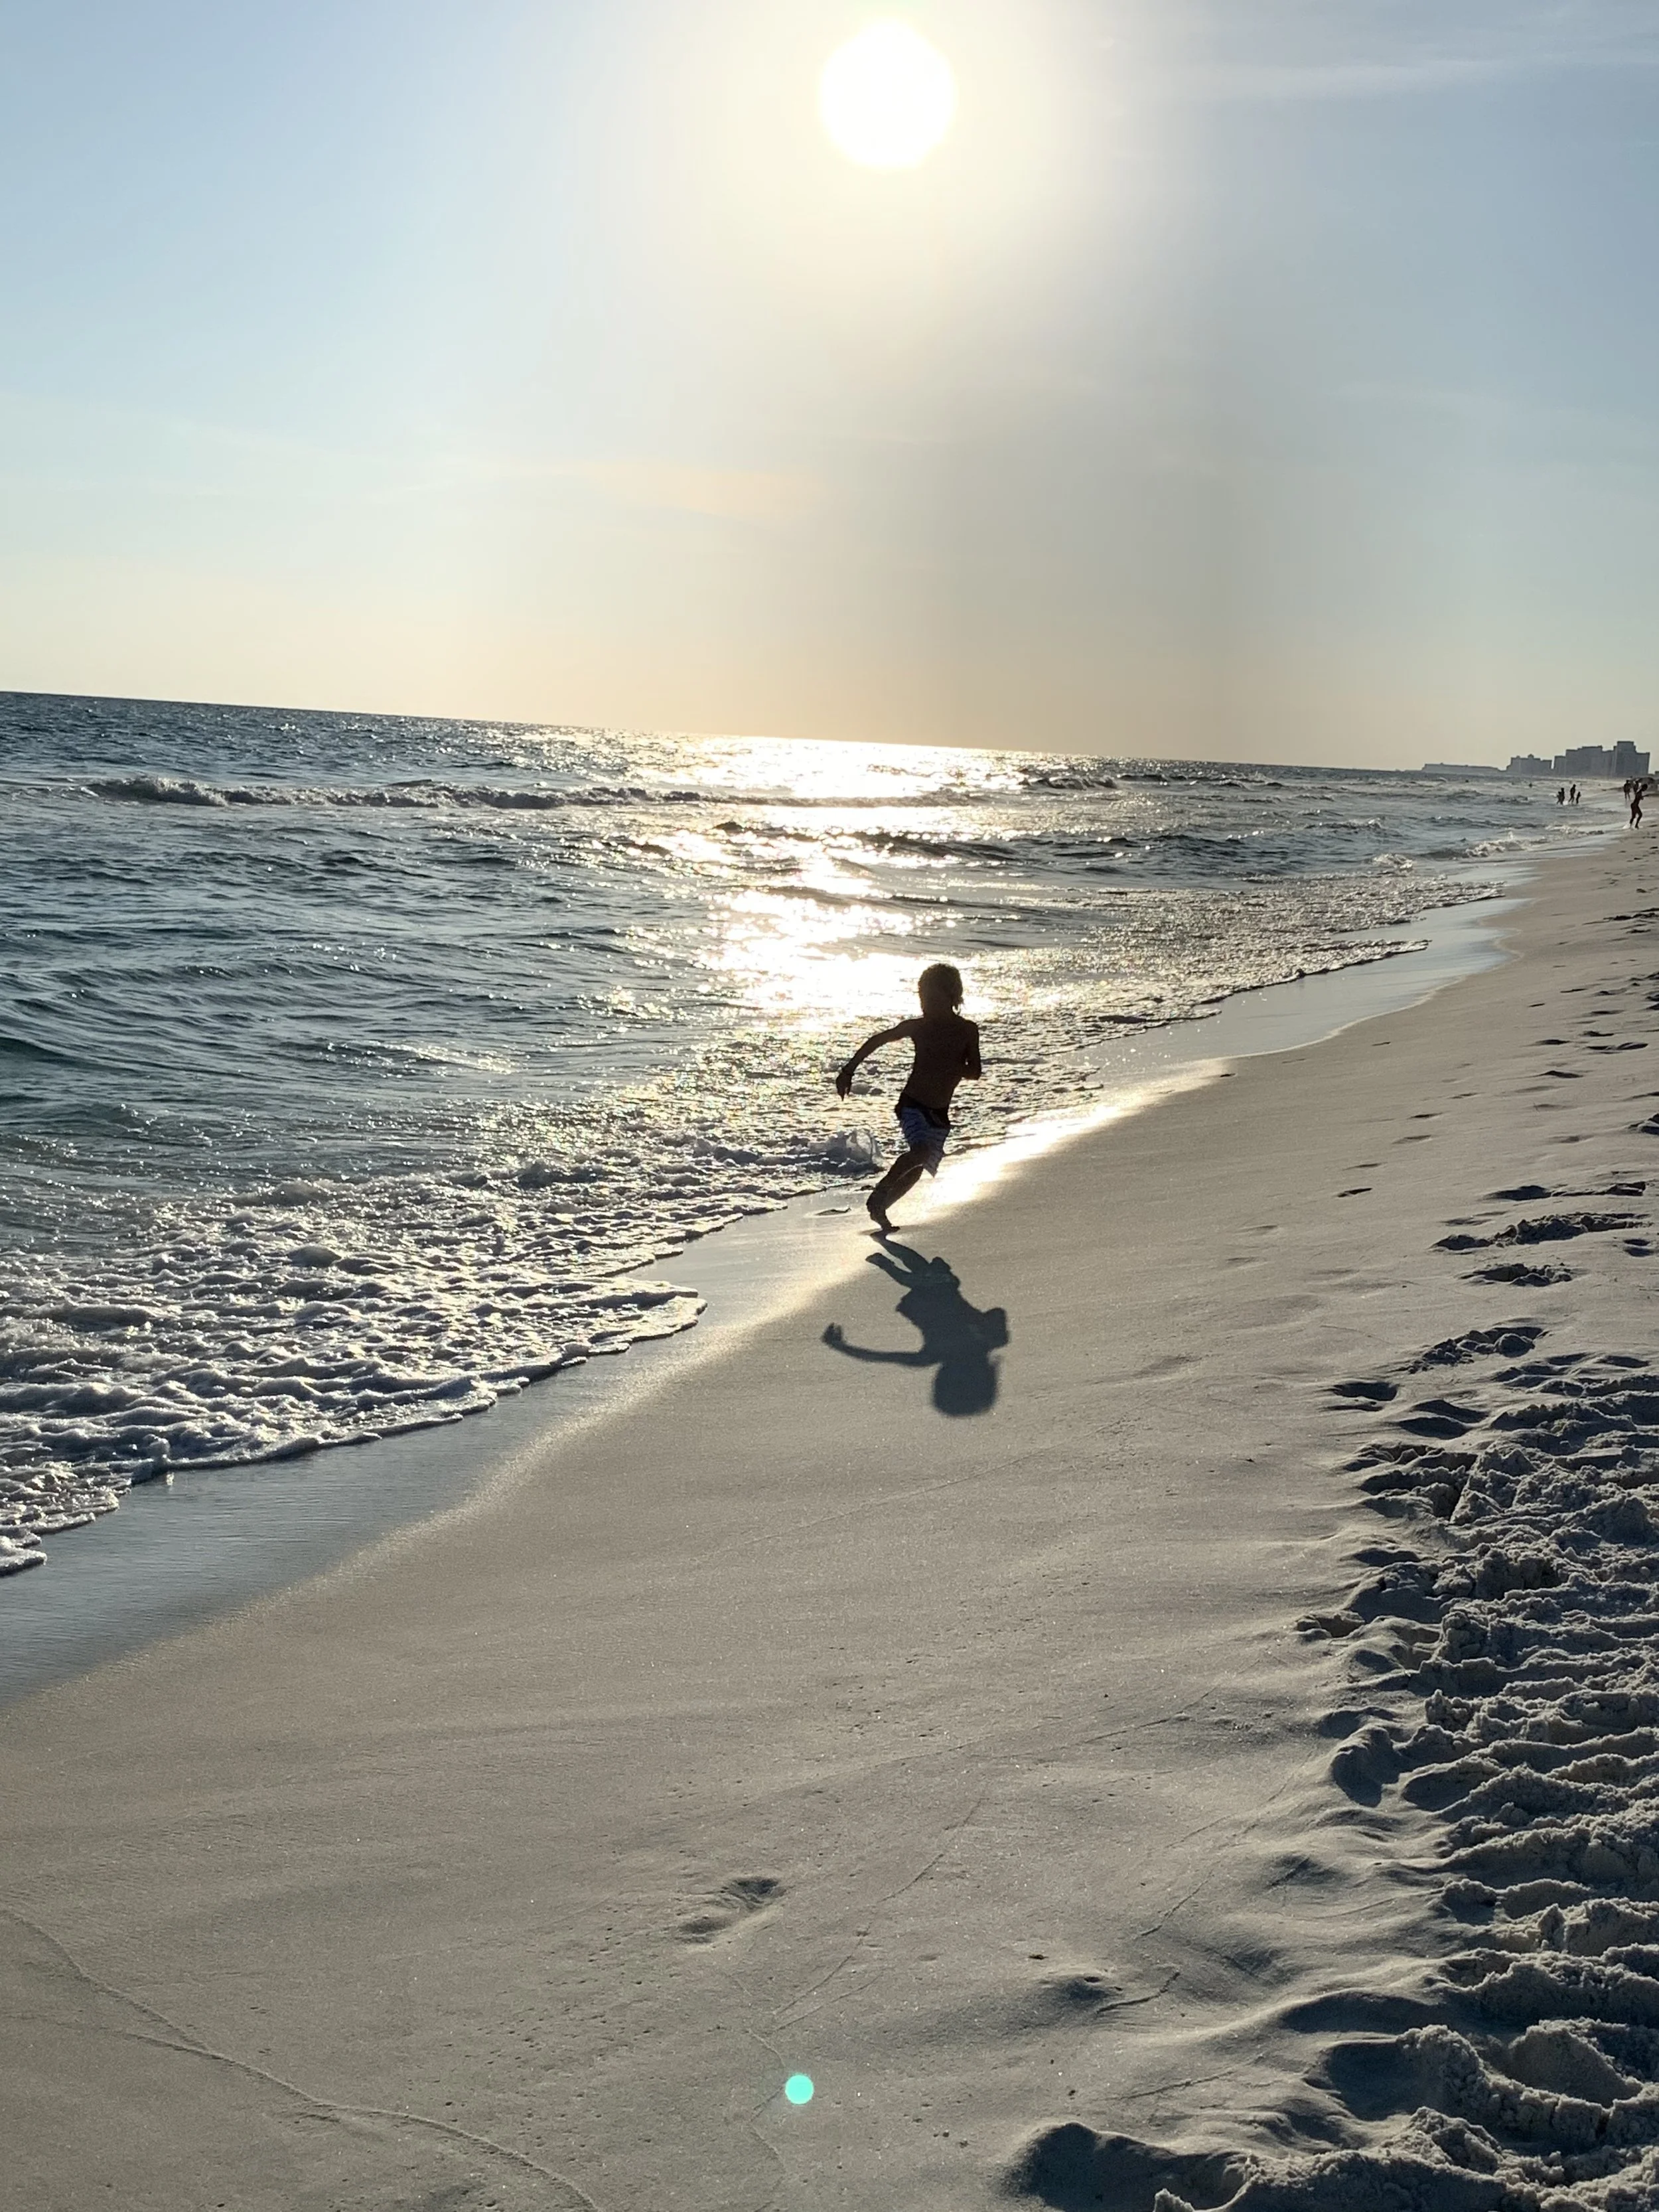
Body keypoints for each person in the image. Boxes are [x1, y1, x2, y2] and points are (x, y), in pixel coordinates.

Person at [835, 963, 981, 1232]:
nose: (927, 1005)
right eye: (923, 999)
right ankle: (879, 1194)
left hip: (939, 1114)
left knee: (915, 1170)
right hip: (912, 1104)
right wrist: (848, 1070)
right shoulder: (919, 1027)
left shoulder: (967, 1030)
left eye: (934, 999)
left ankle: (881, 1208)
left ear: (953, 997)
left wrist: (952, 1066)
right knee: (920, 1152)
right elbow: (878, 1040)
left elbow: (975, 1071)